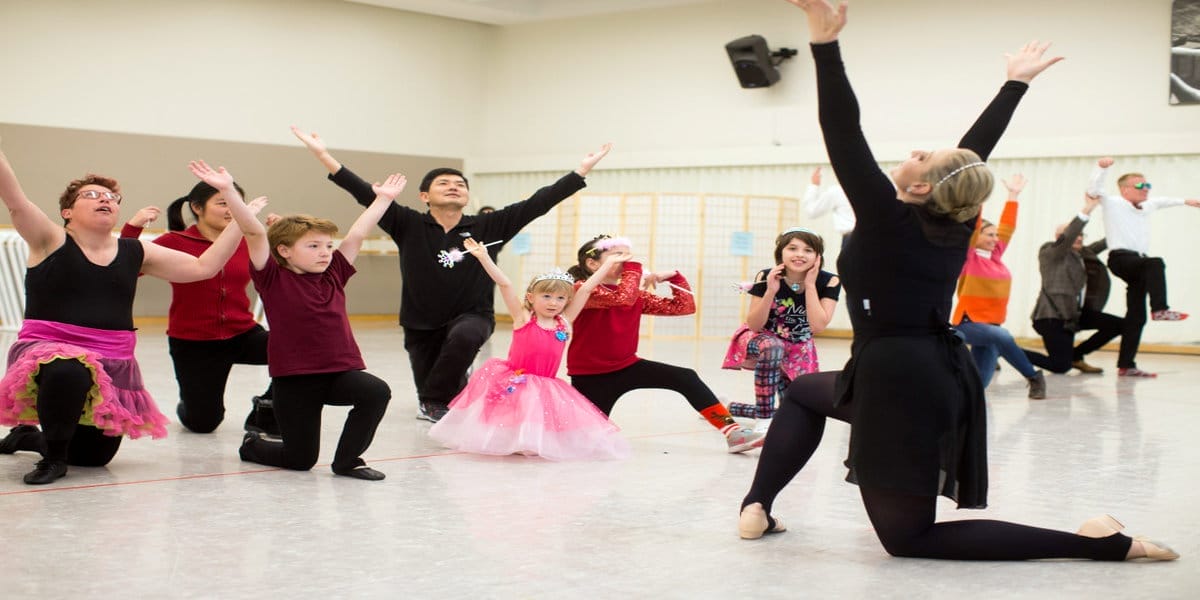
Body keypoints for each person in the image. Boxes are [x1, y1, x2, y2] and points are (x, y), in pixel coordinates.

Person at [738, 0, 1174, 562]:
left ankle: (1102, 546)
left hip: (899, 377)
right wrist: (1015, 84)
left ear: (923, 187)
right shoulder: (955, 219)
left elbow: (842, 131)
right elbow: (974, 154)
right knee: (802, 392)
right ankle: (757, 504)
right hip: (923, 369)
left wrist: (825, 45)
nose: (917, 151)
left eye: (925, 157)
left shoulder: (887, 216)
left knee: (909, 539)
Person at [292, 126, 611, 423]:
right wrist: (323, 155)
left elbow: (538, 203)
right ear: (424, 196)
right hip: (419, 320)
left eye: (460, 184)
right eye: (444, 183)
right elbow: (363, 192)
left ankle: (441, 392)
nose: (453, 187)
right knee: (432, 387)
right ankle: (446, 390)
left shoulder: (489, 225)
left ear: (467, 196)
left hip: (474, 314)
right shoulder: (407, 222)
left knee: (461, 344)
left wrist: (580, 171)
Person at [0, 137, 248, 485]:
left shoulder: (136, 251)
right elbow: (14, 199)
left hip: (112, 357)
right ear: (67, 212)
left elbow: (203, 267)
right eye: (91, 195)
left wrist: (239, 216)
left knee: (93, 458)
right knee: (68, 370)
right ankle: (53, 460)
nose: (105, 199)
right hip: (50, 347)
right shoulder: (50, 239)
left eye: (112, 197)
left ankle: (29, 438)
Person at [199, 160, 401, 481]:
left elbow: (358, 233)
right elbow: (253, 231)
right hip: (295, 381)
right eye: (313, 246)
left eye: (328, 246)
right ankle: (253, 445)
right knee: (300, 459)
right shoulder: (271, 277)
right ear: (285, 250)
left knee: (375, 391)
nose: (325, 252)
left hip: (338, 374)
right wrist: (228, 190)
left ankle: (348, 461)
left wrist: (383, 199)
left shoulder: (334, 273)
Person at [429, 238, 631, 460]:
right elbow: (505, 284)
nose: (553, 303)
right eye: (546, 296)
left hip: (547, 384)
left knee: (537, 417)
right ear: (531, 298)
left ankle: (530, 442)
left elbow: (586, 289)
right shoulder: (523, 318)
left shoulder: (564, 322)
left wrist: (607, 264)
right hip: (517, 379)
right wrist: (484, 258)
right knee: (511, 414)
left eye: (560, 298)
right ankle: (509, 441)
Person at [566, 235, 766, 453]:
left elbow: (683, 307)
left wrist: (675, 278)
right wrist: (634, 268)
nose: (627, 261)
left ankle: (733, 433)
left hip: (627, 366)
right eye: (618, 256)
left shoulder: (634, 295)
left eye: (628, 256)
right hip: (591, 376)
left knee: (685, 377)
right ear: (592, 263)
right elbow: (622, 299)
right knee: (582, 442)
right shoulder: (582, 289)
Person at [120, 182, 277, 436]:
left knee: (301, 349)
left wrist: (281, 234)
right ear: (197, 207)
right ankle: (190, 403)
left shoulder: (248, 241)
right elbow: (124, 267)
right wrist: (133, 228)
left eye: (236, 203)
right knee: (203, 423)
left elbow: (285, 269)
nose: (231, 210)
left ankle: (267, 408)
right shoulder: (174, 241)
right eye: (223, 203)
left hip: (242, 334)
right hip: (194, 342)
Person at [1086, 156, 1200, 377]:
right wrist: (1101, 168)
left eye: (1147, 185)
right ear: (1125, 190)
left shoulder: (1147, 206)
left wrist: (1186, 201)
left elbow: (1163, 201)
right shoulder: (1113, 203)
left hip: (1139, 264)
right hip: (1121, 259)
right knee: (1156, 263)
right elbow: (1094, 189)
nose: (1146, 189)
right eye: (1140, 186)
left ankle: (1127, 365)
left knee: (1136, 316)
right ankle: (1160, 309)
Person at [723, 227, 840, 433]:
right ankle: (764, 419)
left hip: (799, 347)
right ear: (781, 252)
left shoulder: (830, 281)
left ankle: (730, 408)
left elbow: (818, 326)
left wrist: (810, 285)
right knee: (773, 347)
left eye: (808, 250)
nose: (799, 255)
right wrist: (770, 291)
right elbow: (754, 325)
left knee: (796, 415)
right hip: (761, 338)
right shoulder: (766, 275)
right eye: (792, 248)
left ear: (818, 256)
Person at [950, 174, 1047, 399]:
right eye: (989, 235)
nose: (995, 239)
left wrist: (1013, 196)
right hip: (969, 323)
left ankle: (957, 399)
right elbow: (975, 225)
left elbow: (1008, 227)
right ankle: (1033, 376)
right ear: (977, 236)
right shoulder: (969, 257)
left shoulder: (995, 258)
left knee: (978, 385)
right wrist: (978, 197)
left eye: (996, 235)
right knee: (1002, 336)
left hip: (992, 327)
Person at [1023, 194, 1123, 374]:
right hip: (1052, 318)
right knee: (1060, 366)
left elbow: (1106, 242)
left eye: (1081, 235)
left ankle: (1076, 355)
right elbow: (1068, 238)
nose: (1078, 238)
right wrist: (1087, 210)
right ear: (1059, 237)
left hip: (1073, 316)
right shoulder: (1050, 252)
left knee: (1119, 324)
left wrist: (1124, 219)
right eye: (1074, 235)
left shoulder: (1082, 253)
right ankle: (1006, 349)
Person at [802, 167, 855, 248]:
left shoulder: (838, 191)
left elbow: (811, 211)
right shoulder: (873, 188)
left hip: (852, 240)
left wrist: (814, 185)